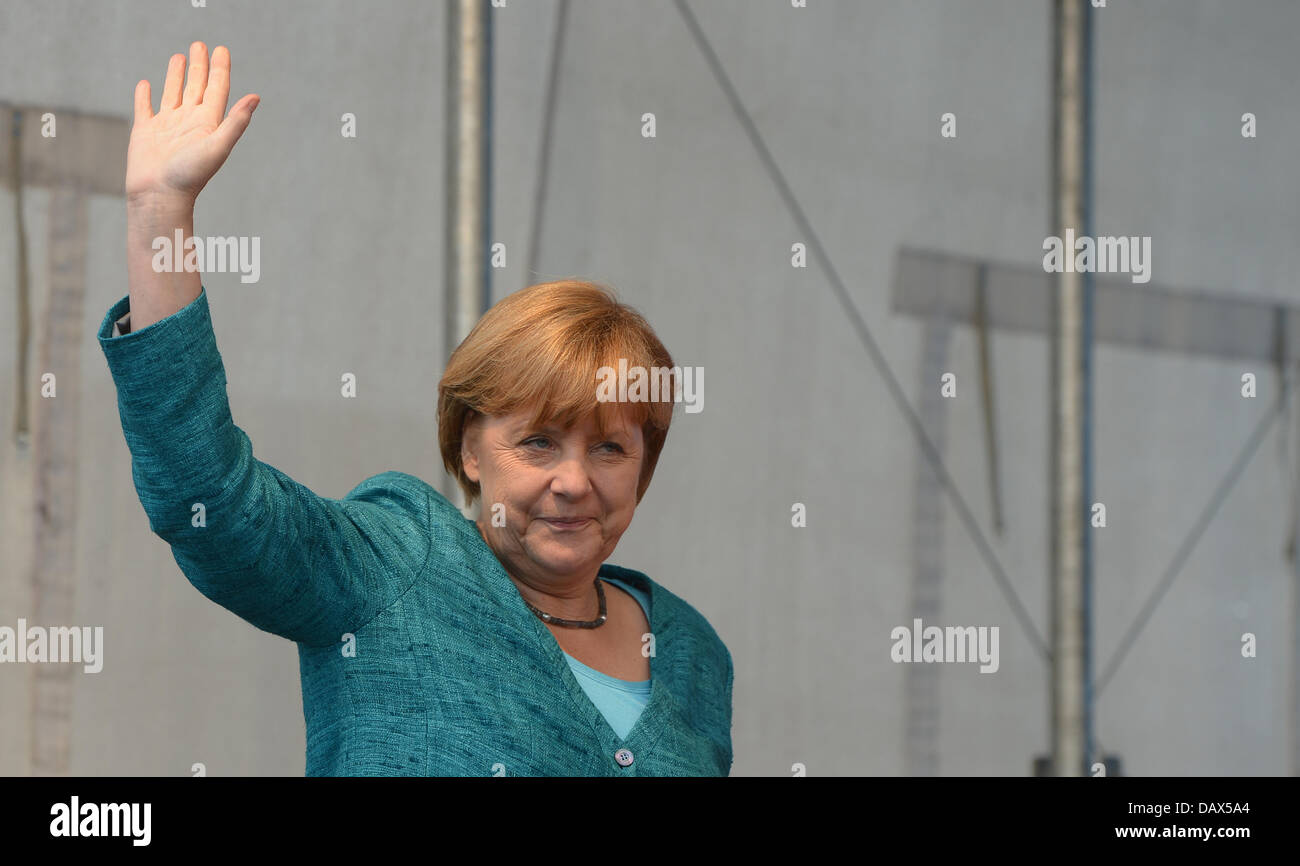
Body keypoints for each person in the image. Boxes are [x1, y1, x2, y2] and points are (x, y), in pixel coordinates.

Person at [99, 41, 733, 776]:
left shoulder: (692, 653)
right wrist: (159, 212)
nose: (573, 481)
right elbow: (209, 501)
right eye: (537, 443)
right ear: (469, 447)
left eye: (610, 448)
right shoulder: (395, 567)